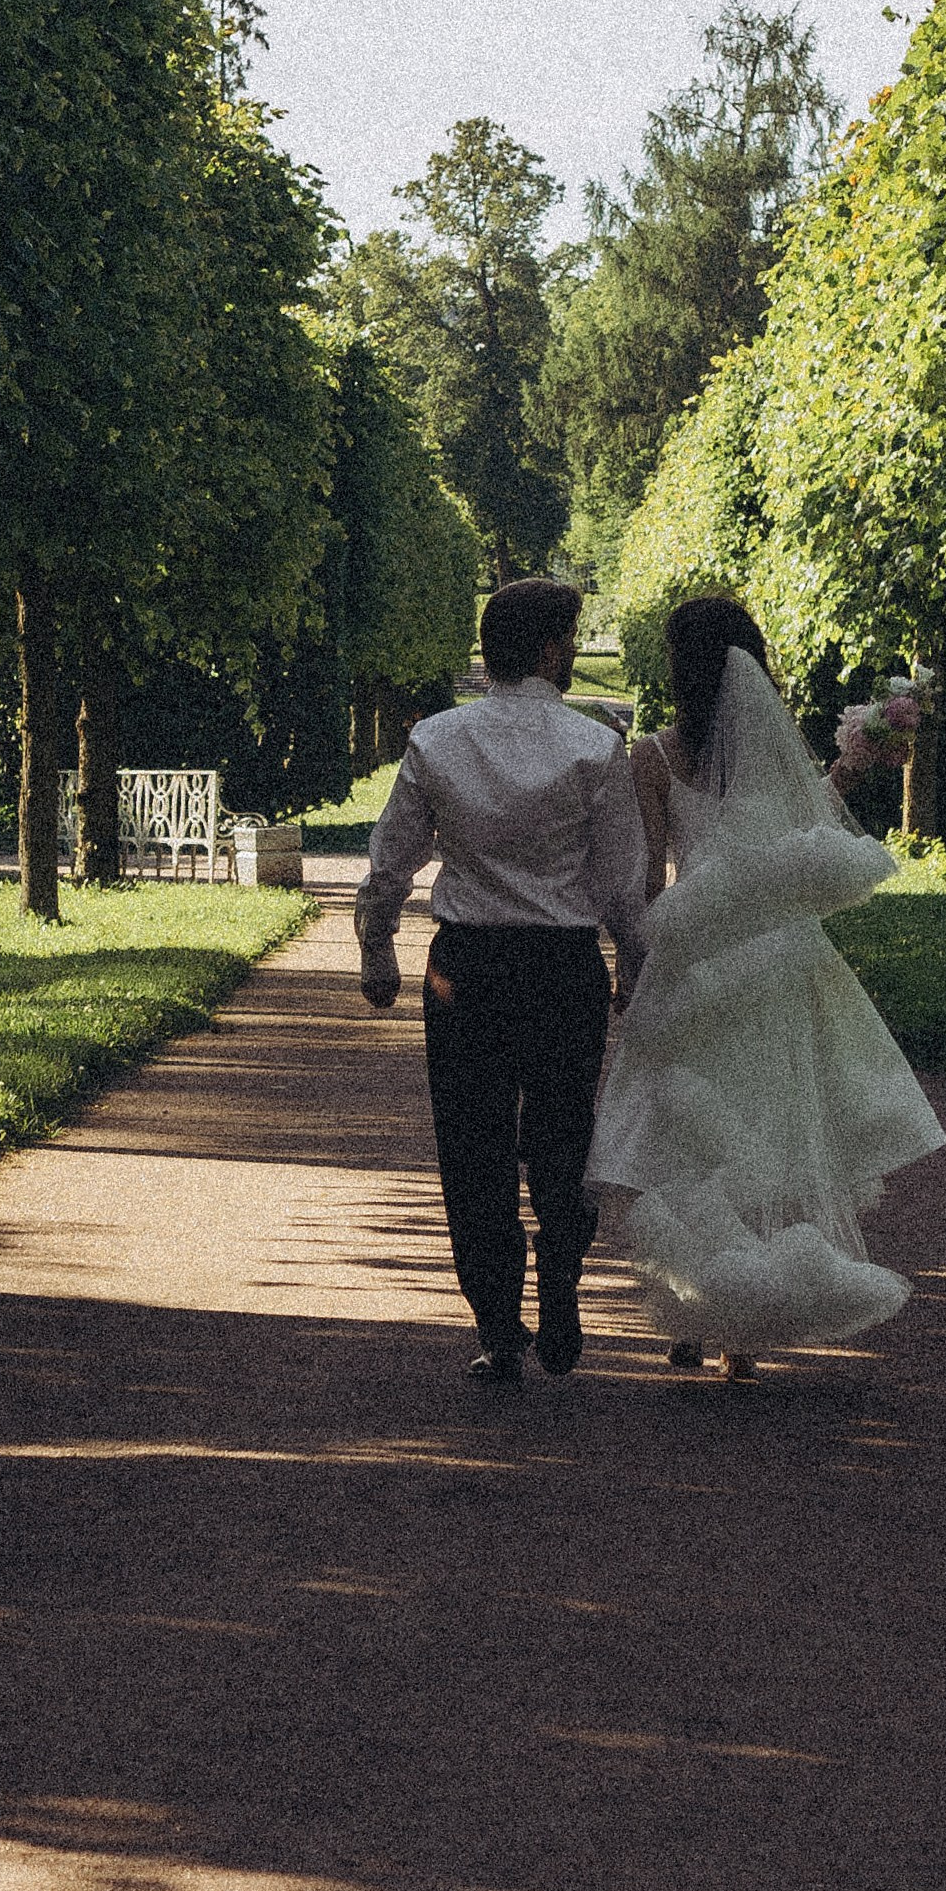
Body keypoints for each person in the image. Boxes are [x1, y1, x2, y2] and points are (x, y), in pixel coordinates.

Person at [588, 594, 944, 1379]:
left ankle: (692, 1305)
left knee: (687, 1139)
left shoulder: (652, 758)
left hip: (696, 970)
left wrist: (630, 968)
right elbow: (802, 839)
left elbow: (645, 886)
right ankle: (745, 1333)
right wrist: (851, 765)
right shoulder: (771, 752)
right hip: (781, 964)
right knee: (765, 1128)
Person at [356, 575, 649, 1383]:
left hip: (469, 968)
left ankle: (498, 1324)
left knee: (473, 1150)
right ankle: (560, 1282)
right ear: (554, 649)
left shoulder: (439, 741)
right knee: (562, 1138)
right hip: (561, 968)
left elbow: (393, 859)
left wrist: (376, 946)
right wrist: (634, 961)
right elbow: (623, 881)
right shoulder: (596, 747)